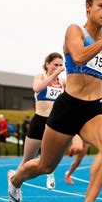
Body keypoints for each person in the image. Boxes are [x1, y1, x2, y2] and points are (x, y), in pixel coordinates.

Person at [8, 0, 102, 202]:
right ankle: (15, 179)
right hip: (69, 106)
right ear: (88, 7)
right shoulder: (75, 31)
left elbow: (101, 61)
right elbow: (79, 57)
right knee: (45, 165)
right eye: (101, 6)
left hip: (93, 108)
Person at [16, 52, 66, 190]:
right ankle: (15, 183)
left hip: (54, 122)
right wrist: (53, 75)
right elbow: (37, 88)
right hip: (39, 121)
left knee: (51, 155)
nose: (58, 67)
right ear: (47, 64)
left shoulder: (62, 81)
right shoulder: (40, 77)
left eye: (61, 65)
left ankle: (50, 173)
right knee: (27, 160)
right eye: (55, 64)